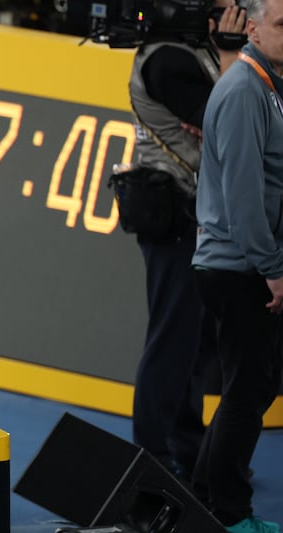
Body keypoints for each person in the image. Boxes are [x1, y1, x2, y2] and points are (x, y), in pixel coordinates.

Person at [128, 0, 245, 482]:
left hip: (199, 213)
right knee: (172, 340)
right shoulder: (166, 58)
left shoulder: (196, 51)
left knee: (196, 344)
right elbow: (232, 121)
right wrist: (233, 56)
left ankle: (189, 449)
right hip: (175, 214)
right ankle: (150, 459)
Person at [191, 0, 283, 529]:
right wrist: (272, 266)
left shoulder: (265, 86)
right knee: (247, 397)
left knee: (249, 391)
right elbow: (244, 195)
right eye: (280, 24)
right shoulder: (246, 90)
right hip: (239, 267)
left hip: (238, 263)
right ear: (251, 27)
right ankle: (228, 514)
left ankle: (204, 497)